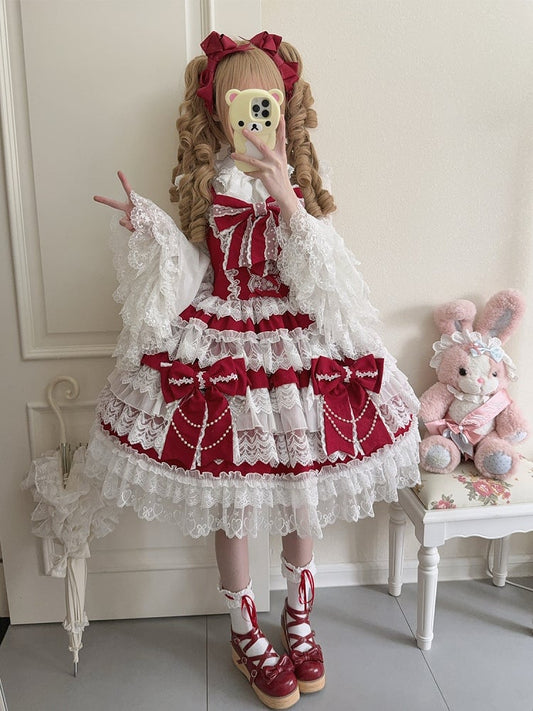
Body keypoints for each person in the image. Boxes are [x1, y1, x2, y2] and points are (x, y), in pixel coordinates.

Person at [89, 31, 420, 710]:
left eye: (265, 101)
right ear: (218, 113)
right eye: (239, 103)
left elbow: (328, 277)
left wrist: (285, 195)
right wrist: (150, 227)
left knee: (303, 484)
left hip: (295, 338)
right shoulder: (210, 183)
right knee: (232, 491)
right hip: (221, 334)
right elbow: (192, 269)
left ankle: (298, 618)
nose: (254, 116)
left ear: (282, 106)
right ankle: (244, 630)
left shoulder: (299, 182)